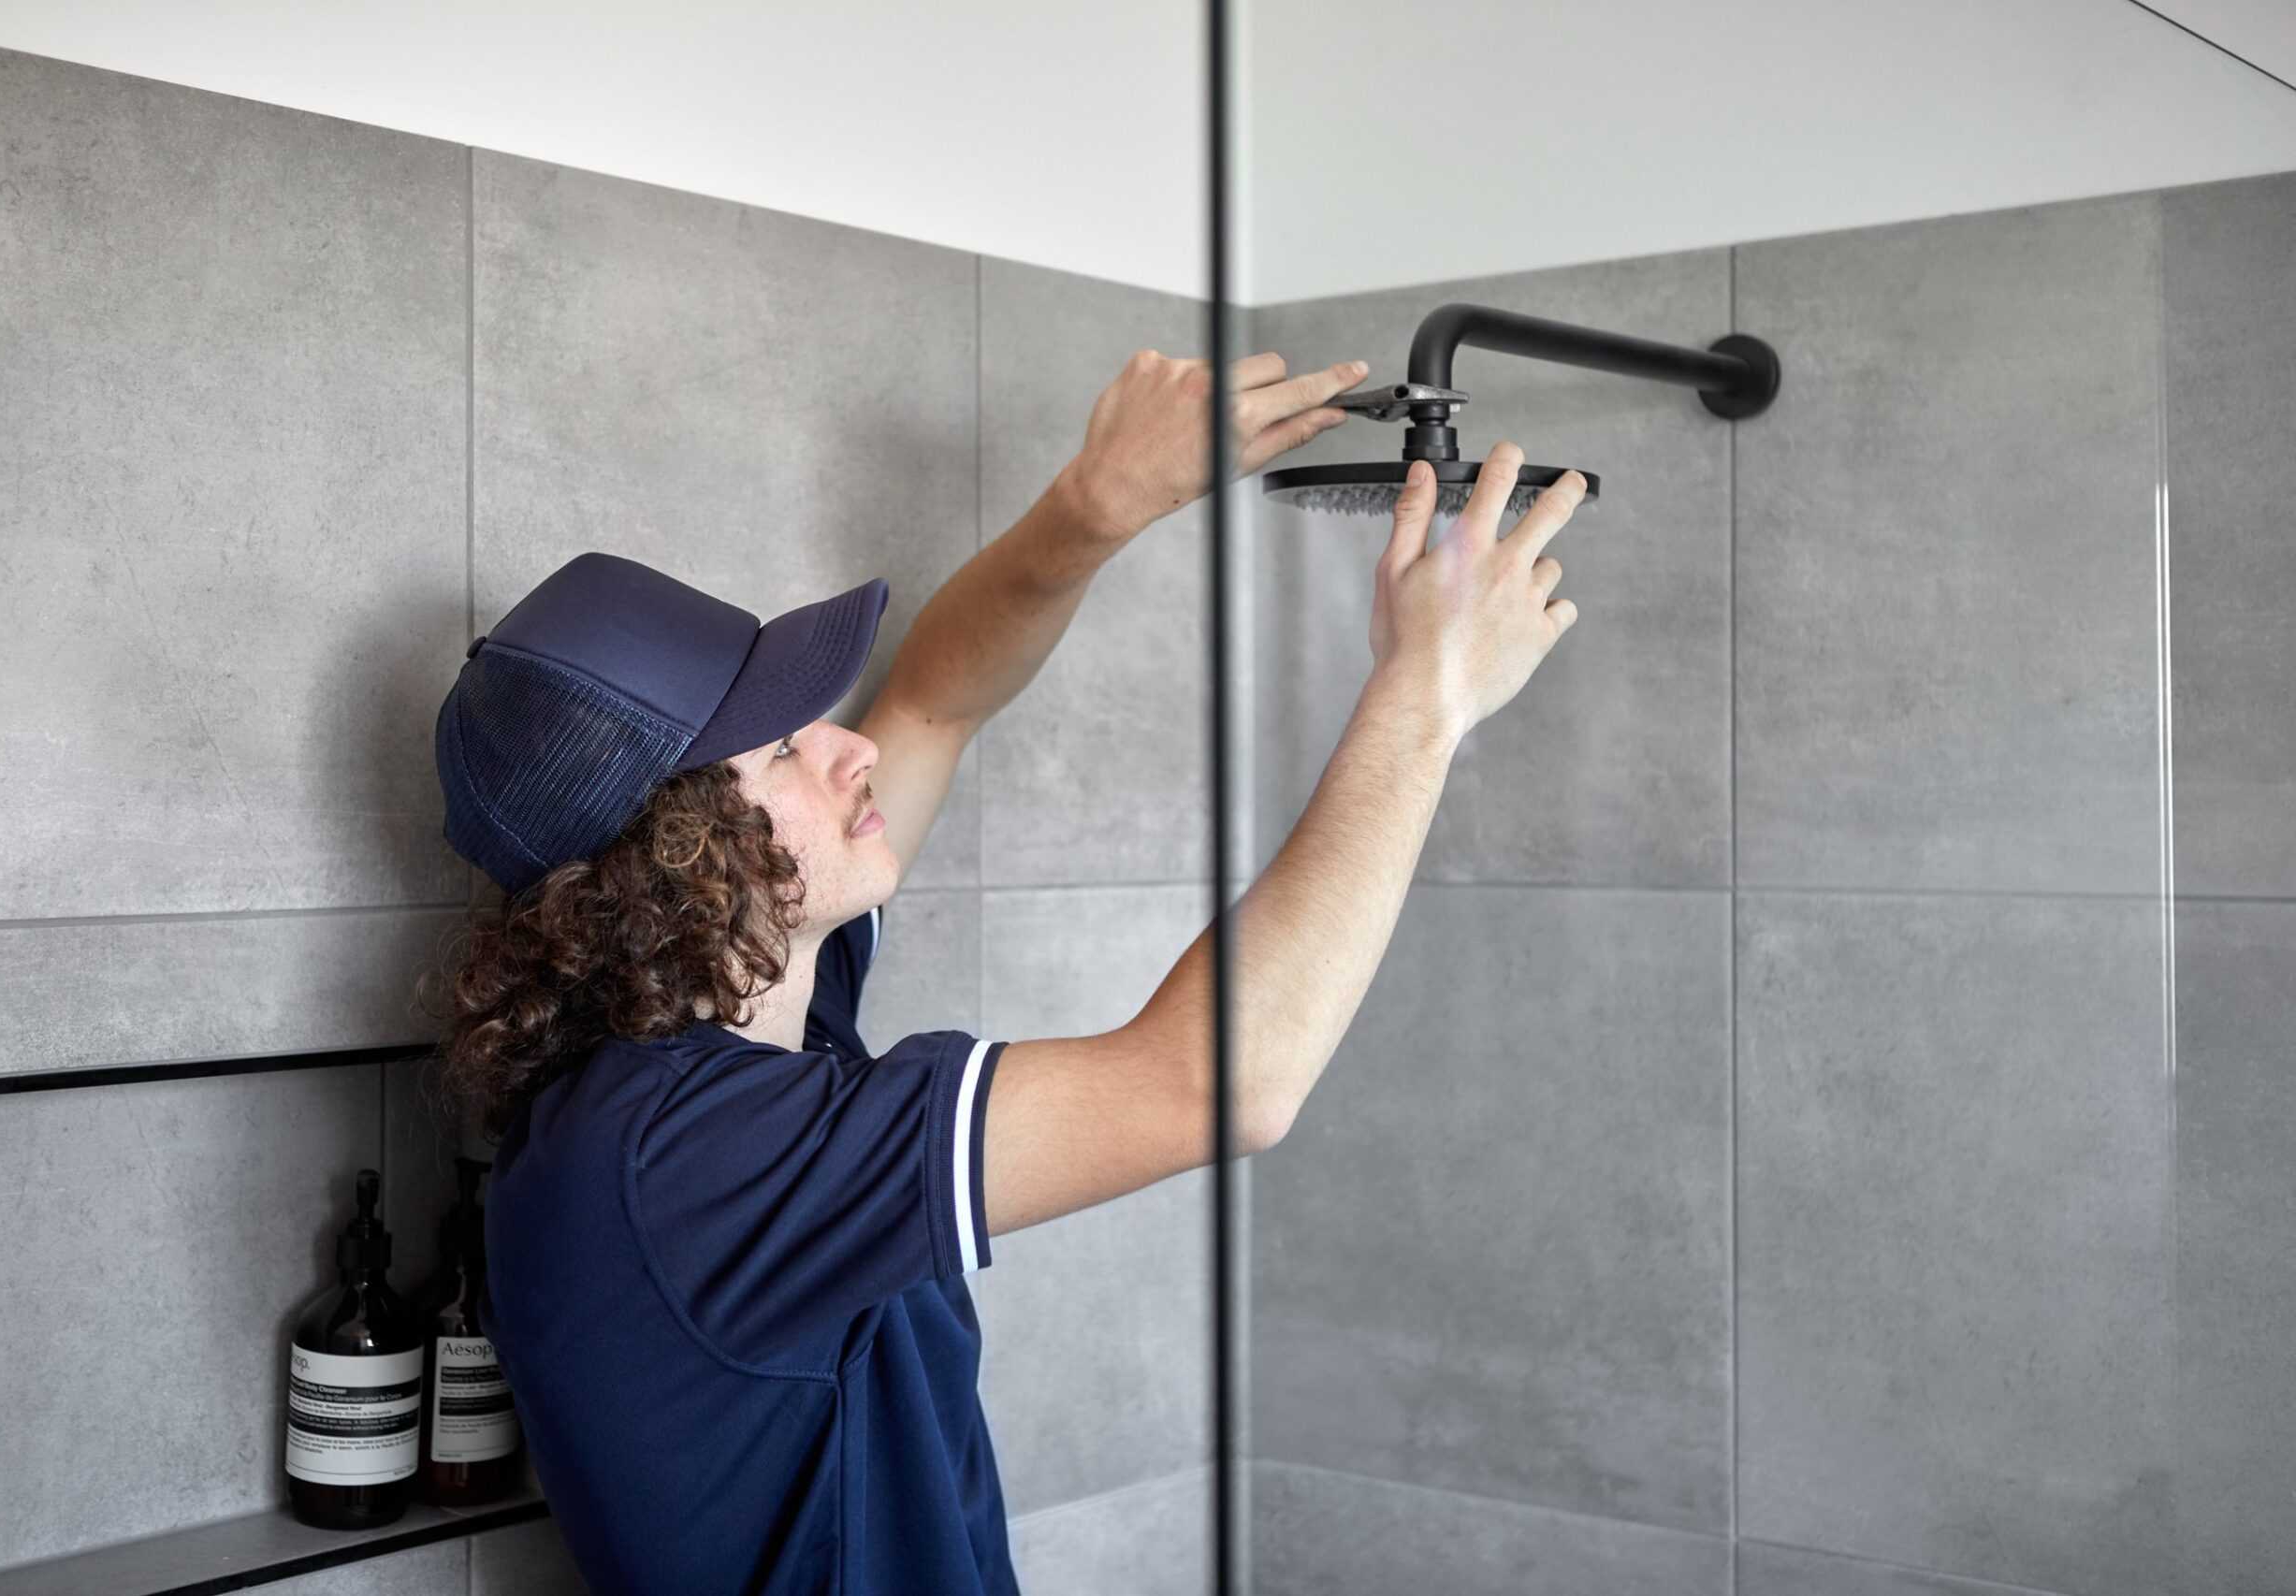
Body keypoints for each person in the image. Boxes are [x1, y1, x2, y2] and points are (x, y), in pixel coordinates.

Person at [419, 347, 1584, 1595]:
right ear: (674, 865)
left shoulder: (723, 1036)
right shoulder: (682, 1160)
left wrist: (1099, 502)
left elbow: (931, 701)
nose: (850, 748)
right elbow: (1221, 1081)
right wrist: (1429, 692)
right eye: (777, 754)